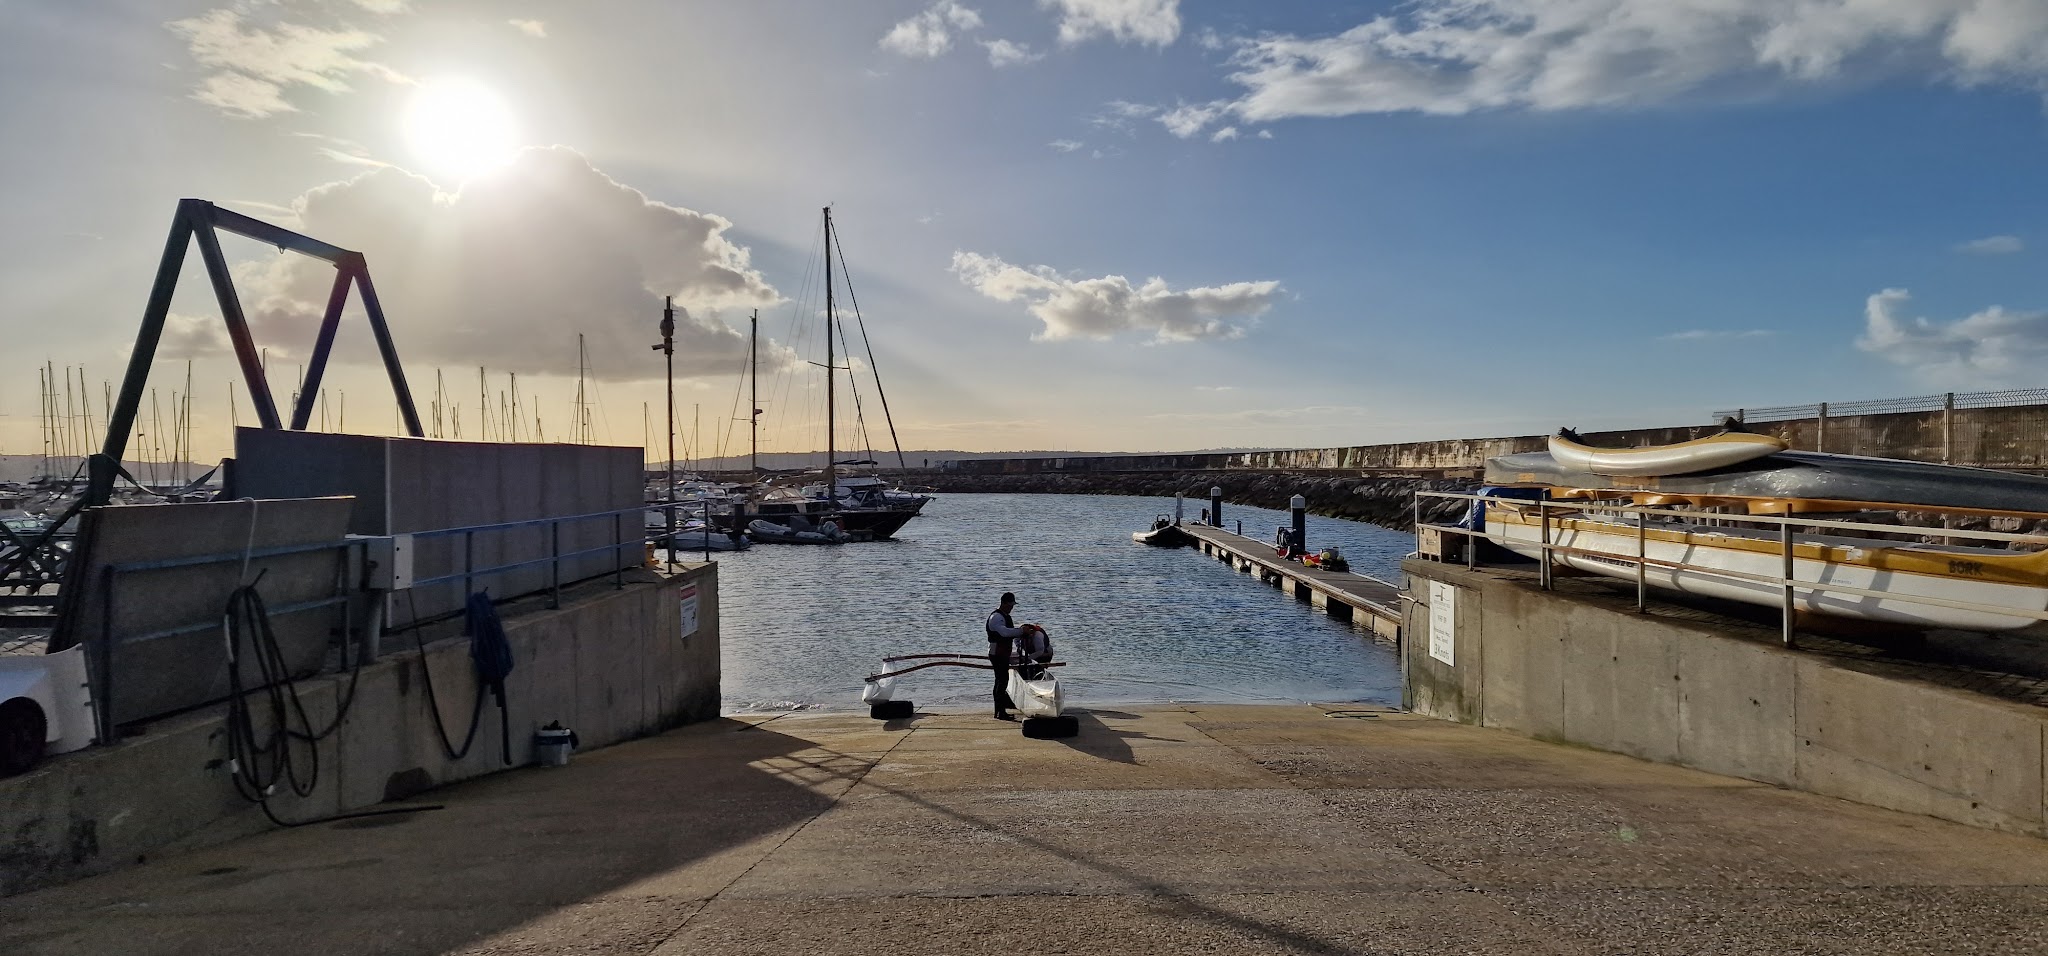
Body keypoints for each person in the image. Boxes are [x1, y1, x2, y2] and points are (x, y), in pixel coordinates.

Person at [986, 591, 1030, 720]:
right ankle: (1000, 712)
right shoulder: (996, 617)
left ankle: (1000, 711)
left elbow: (1008, 632)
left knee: (1001, 680)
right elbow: (1004, 633)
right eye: (1010, 605)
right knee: (1001, 680)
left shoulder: (1004, 616)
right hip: (996, 653)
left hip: (1002, 653)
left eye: (1012, 605)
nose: (1011, 608)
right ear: (1003, 603)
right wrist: (1021, 631)